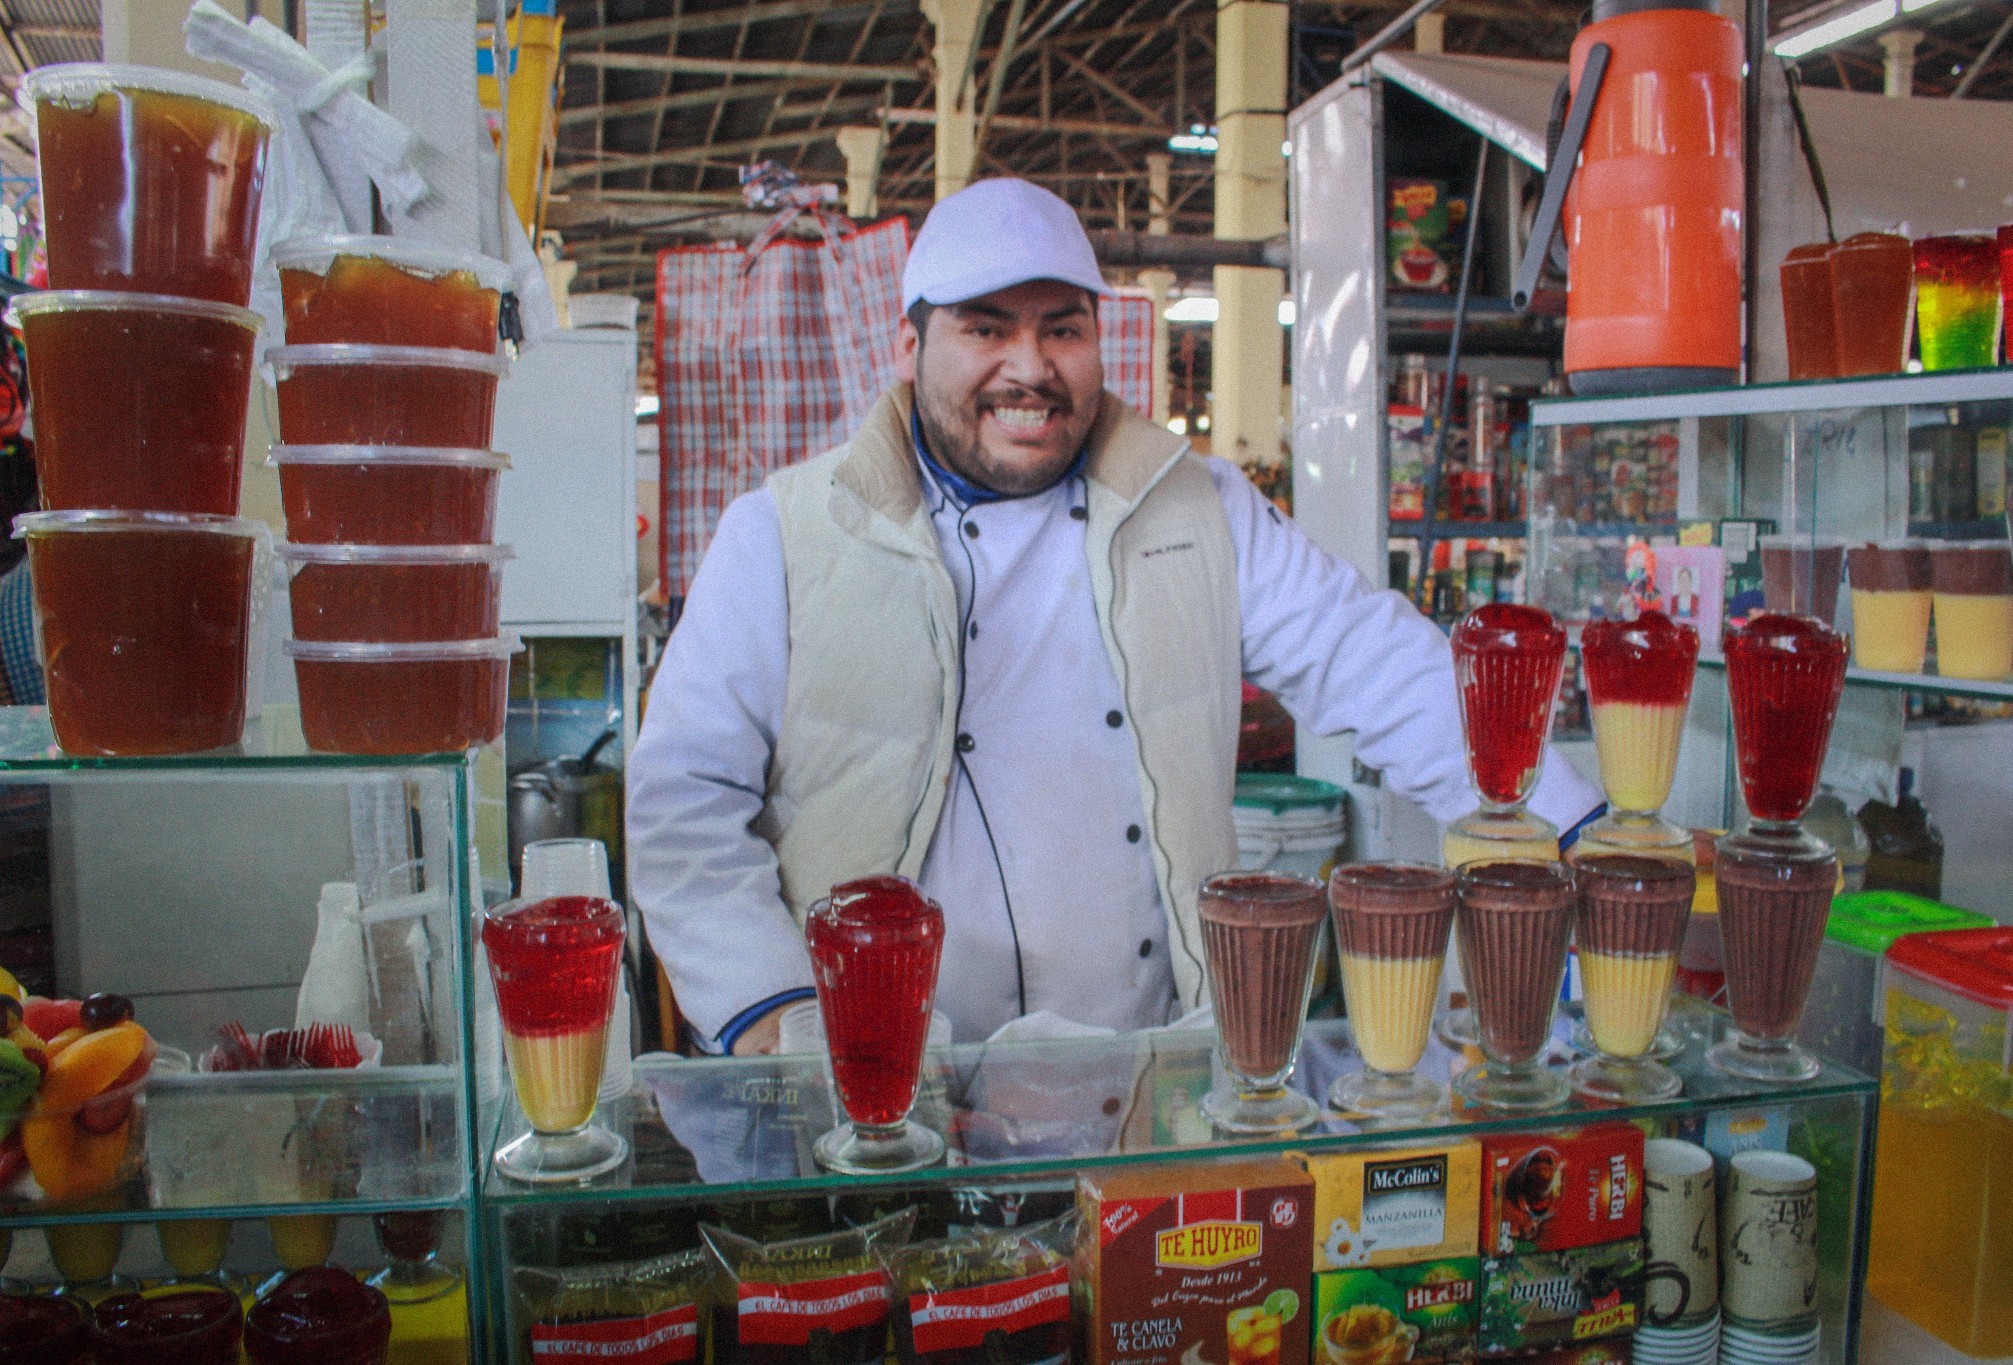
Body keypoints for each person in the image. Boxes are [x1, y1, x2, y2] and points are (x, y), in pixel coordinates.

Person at [627, 178, 1602, 1055]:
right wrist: (769, 1008)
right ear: (908, 348)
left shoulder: (1196, 509)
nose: (1030, 367)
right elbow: (682, 797)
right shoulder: (785, 533)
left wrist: (1576, 830)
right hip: (879, 1087)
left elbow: (1370, 660)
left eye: (1062, 329)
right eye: (985, 330)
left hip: (1143, 1069)